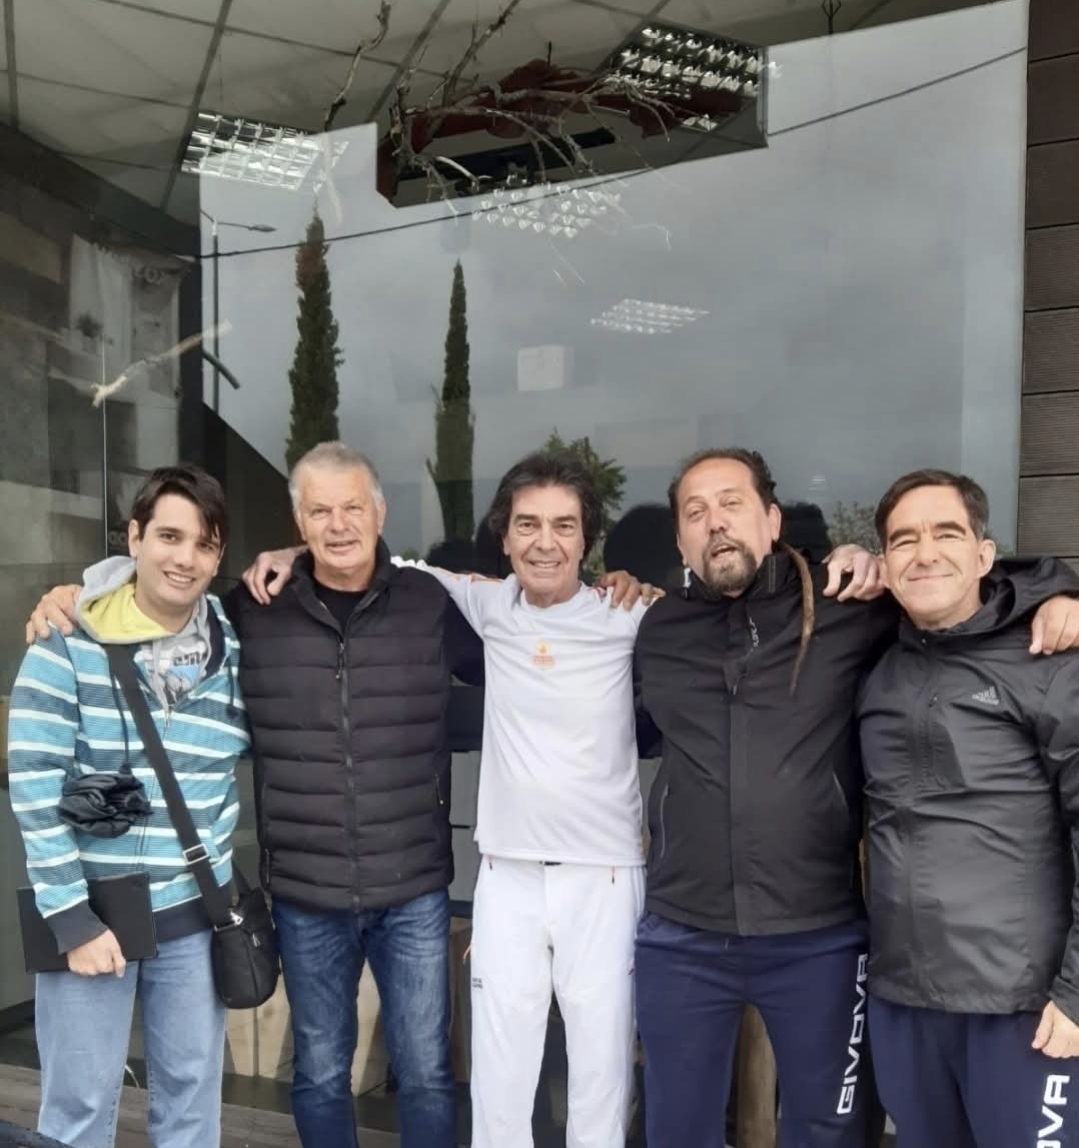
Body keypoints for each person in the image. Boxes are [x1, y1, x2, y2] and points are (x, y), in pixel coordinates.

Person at [242, 449, 884, 1148]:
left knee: (600, 1080)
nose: (544, 542)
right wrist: (292, 551)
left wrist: (854, 560)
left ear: (586, 541)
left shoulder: (636, 614)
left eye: (563, 526)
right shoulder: (482, 602)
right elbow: (362, 556)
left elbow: (734, 601)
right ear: (505, 537)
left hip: (604, 880)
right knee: (498, 1083)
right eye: (527, 525)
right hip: (507, 877)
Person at [632, 448, 1079, 1148]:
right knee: (677, 1129)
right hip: (693, 932)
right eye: (695, 512)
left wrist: (1058, 590)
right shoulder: (657, 629)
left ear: (772, 520)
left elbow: (964, 590)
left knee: (829, 1130)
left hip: (827, 940)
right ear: (681, 540)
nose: (714, 522)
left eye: (731, 504)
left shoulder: (848, 609)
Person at [8, 464, 249, 1148]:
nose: (185, 558)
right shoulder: (66, 640)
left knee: (191, 1108)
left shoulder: (233, 648)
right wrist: (70, 917)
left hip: (195, 915)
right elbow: (34, 782)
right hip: (94, 912)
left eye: (204, 544)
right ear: (135, 538)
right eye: (169, 536)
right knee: (78, 1112)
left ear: (218, 558)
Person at [859, 469, 1079, 1148]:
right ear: (883, 564)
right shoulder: (876, 666)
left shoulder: (1048, 661)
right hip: (904, 1000)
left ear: (985, 556)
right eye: (904, 540)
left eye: (946, 534)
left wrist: (1077, 991)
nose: (924, 553)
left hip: (1020, 1007)